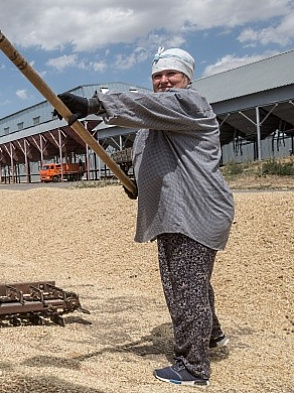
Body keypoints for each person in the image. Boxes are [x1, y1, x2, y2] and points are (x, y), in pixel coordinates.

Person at [57, 47, 235, 388]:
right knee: (193, 282)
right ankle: (212, 336)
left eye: (172, 74)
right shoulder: (151, 126)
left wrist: (93, 104)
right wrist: (136, 182)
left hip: (194, 211)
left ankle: (194, 368)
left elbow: (143, 105)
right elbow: (149, 156)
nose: (164, 81)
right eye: (158, 75)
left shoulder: (189, 104)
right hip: (174, 212)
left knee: (184, 287)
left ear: (187, 78)